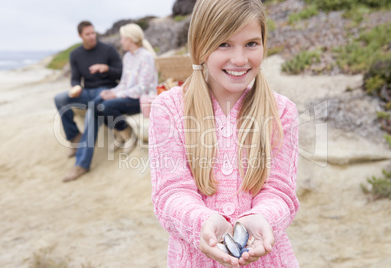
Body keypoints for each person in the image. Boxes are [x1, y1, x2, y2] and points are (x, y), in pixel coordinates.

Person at [149, 0, 299, 267]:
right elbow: (170, 192)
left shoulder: (281, 111)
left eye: (251, 44)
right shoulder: (169, 108)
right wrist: (202, 221)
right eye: (223, 44)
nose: (240, 59)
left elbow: (279, 190)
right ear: (200, 46)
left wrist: (263, 217)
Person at [54, 21, 122, 182]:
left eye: (93, 33)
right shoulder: (75, 54)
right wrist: (75, 87)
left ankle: (82, 164)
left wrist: (106, 68)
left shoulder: (108, 50)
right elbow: (76, 78)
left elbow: (121, 74)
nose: (92, 36)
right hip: (86, 91)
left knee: (93, 111)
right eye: (88, 34)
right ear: (80, 36)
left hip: (106, 90)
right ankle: (74, 137)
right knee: (60, 98)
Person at [96, 23, 158, 153]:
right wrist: (111, 92)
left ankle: (128, 135)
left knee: (107, 106)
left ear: (129, 39)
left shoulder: (146, 56)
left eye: (122, 38)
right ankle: (119, 134)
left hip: (142, 99)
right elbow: (124, 83)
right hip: (129, 96)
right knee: (98, 103)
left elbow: (142, 88)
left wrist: (116, 96)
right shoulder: (127, 57)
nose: (121, 41)